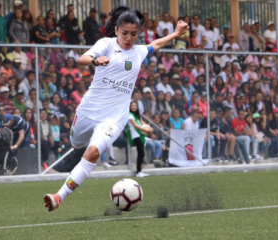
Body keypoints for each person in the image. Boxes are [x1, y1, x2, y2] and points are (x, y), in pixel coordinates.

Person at [43, 6, 189, 211]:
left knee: (93, 152)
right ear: (117, 29)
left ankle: (59, 196)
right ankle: (76, 149)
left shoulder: (139, 52)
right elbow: (81, 59)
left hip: (113, 118)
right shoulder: (106, 44)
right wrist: (96, 60)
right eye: (124, 33)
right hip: (88, 110)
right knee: (77, 144)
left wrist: (175, 33)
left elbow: (155, 44)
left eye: (134, 34)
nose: (129, 38)